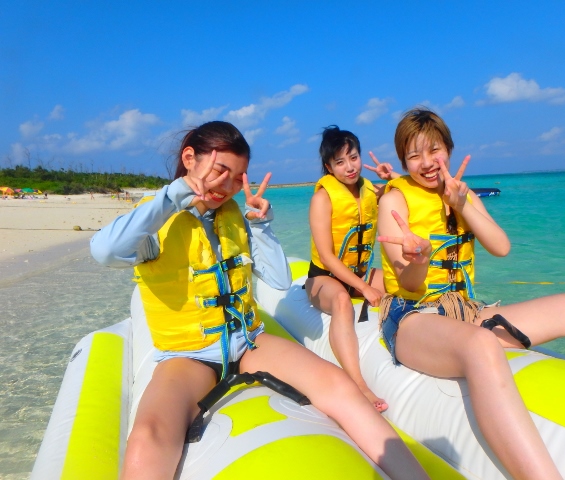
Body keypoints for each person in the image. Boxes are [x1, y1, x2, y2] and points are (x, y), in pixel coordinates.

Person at [90, 121, 426, 479]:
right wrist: (174, 195)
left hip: (248, 341)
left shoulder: (234, 218)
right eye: (220, 171)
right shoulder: (157, 222)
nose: (227, 186)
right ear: (190, 159)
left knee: (338, 384)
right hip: (188, 355)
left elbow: (279, 280)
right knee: (148, 437)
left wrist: (262, 226)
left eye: (238, 178)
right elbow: (104, 251)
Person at [377, 108, 565, 480]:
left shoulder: (462, 196)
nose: (427, 162)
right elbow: (407, 283)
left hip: (465, 311)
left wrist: (462, 205)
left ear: (448, 150)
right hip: (413, 318)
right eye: (414, 155)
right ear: (404, 162)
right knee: (481, 345)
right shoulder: (395, 201)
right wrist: (420, 257)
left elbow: (501, 247)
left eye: (434, 150)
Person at [304, 126, 400, 413]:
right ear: (328, 167)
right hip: (323, 278)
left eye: (354, 158)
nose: (350, 167)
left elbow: (404, 195)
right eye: (340, 162)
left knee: (400, 283)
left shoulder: (369, 190)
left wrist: (393, 178)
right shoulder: (323, 198)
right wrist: (364, 288)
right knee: (343, 301)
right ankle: (358, 384)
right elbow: (326, 257)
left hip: (359, 272)